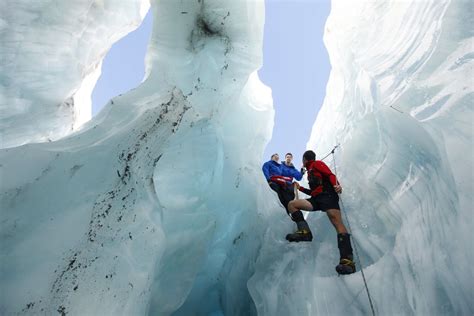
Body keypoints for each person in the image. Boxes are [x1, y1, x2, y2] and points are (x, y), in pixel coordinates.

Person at [286, 150, 356, 275]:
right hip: (316, 199)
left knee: (336, 221)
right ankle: (305, 232)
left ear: (304, 159)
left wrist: (337, 185)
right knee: (292, 205)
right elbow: (313, 192)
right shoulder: (310, 171)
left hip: (328, 195)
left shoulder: (317, 164)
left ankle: (347, 261)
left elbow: (330, 175)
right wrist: (300, 188)